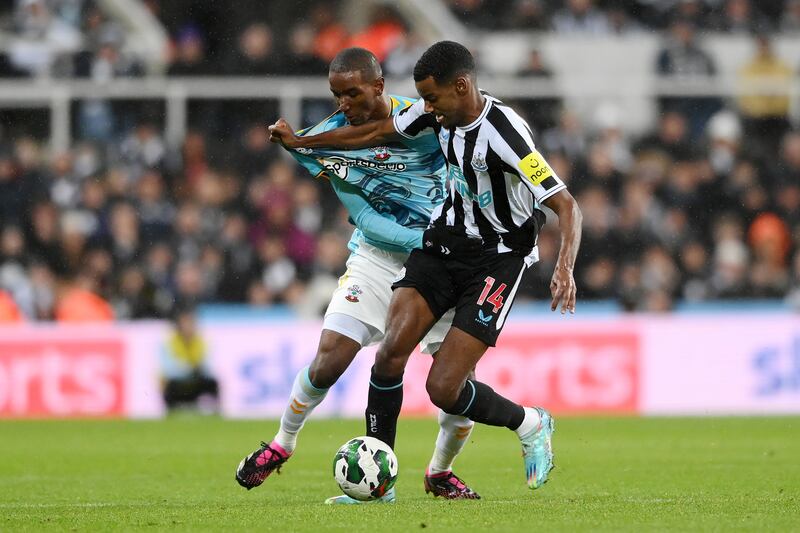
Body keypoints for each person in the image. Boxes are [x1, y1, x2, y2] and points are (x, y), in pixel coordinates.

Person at [269, 41, 582, 490]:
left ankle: (530, 423)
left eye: (432, 98)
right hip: (444, 244)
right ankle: (380, 486)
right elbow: (375, 135)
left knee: (445, 389)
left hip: (497, 261)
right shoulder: (435, 114)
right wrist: (304, 142)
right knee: (389, 353)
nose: (426, 108)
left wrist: (564, 267)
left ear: (462, 86)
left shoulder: (505, 133)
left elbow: (567, 205)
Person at [235, 48, 483, 503]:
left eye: (352, 92)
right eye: (336, 94)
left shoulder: (424, 118)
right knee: (329, 358)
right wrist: (427, 242)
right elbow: (363, 215)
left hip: (442, 260)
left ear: (378, 86)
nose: (344, 103)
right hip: (379, 257)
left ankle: (440, 472)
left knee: (454, 382)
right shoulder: (324, 139)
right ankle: (281, 444)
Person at [161, 304, 219, 413]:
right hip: (178, 385)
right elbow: (167, 369)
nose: (188, 327)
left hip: (195, 383)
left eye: (190, 323)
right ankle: (170, 412)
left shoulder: (200, 342)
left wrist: (197, 369)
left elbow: (208, 366)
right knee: (169, 384)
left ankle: (216, 412)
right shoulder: (170, 343)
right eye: (185, 323)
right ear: (179, 325)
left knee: (213, 383)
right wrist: (188, 369)